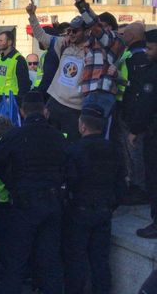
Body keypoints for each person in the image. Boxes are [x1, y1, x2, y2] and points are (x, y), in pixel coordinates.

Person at [0, 91, 68, 294]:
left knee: (16, 262)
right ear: (45, 111)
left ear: (22, 112)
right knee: (50, 262)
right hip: (52, 203)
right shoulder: (58, 137)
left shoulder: (15, 136)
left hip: (23, 206)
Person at [63, 104, 125, 294]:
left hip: (80, 212)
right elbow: (121, 183)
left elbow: (69, 182)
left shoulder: (75, 150)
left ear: (82, 126)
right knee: (100, 263)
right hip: (104, 211)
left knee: (76, 263)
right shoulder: (114, 149)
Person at [27, 1, 87, 140]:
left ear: (87, 31)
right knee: (48, 140)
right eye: (69, 31)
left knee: (70, 144)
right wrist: (32, 15)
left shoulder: (93, 50)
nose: (71, 34)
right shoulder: (62, 43)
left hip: (75, 108)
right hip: (54, 102)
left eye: (75, 31)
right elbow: (41, 36)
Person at [114, 22, 150, 204]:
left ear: (132, 36)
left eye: (125, 34)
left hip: (130, 112)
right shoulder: (135, 54)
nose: (122, 37)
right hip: (131, 111)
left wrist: (117, 79)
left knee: (133, 150)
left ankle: (138, 188)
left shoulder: (135, 57)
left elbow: (135, 87)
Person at [129, 29, 157, 238]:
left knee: (153, 177)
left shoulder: (153, 73)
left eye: (150, 47)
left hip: (153, 133)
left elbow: (146, 104)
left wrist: (135, 130)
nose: (146, 51)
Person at [0, 31, 30, 109]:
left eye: (1, 41)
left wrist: (18, 102)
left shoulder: (18, 60)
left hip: (7, 103)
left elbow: (24, 85)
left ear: (9, 42)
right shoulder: (0, 57)